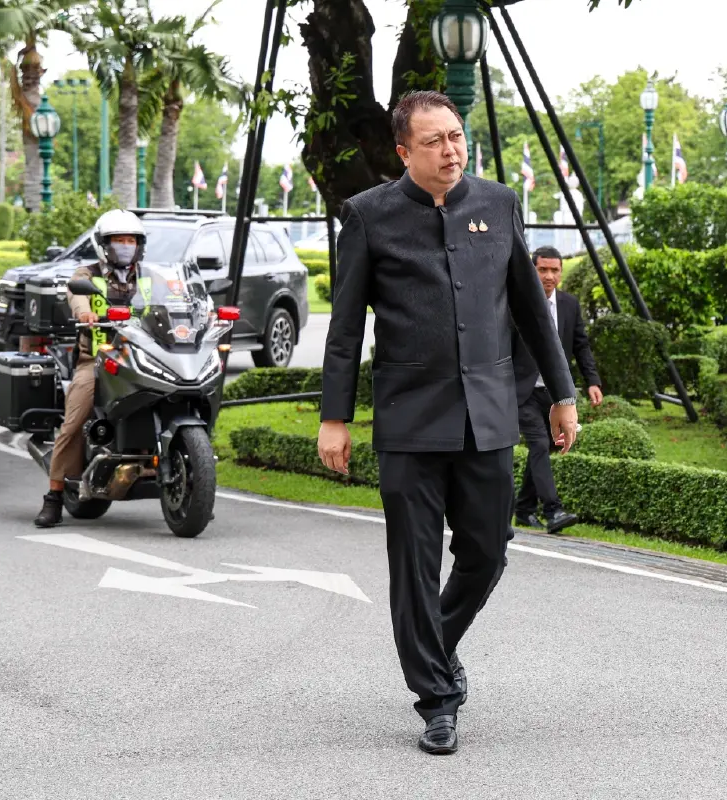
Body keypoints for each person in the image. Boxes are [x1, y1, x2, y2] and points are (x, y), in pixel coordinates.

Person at [317, 90, 577, 755]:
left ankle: (433, 643)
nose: (450, 151)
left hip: (487, 417)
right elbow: (345, 331)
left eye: (456, 137)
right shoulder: (369, 217)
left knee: (488, 552)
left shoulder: (498, 204)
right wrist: (335, 419)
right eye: (433, 142)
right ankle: (437, 698)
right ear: (404, 152)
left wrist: (562, 395)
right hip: (409, 423)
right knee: (414, 563)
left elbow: (529, 309)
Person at [34, 209, 149, 528]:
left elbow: (177, 297)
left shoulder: (153, 276)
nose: (125, 246)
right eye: (118, 241)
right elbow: (76, 292)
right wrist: (84, 314)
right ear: (104, 245)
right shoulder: (87, 275)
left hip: (143, 361)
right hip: (97, 362)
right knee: (74, 422)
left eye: (131, 241)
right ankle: (54, 497)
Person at [511, 245, 603, 533]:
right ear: (533, 270)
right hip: (520, 390)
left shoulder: (569, 305)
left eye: (554, 270)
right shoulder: (515, 301)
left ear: (561, 273)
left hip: (552, 394)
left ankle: (524, 510)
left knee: (547, 447)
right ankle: (553, 510)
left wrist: (592, 381)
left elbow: (580, 345)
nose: (549, 276)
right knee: (538, 444)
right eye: (543, 269)